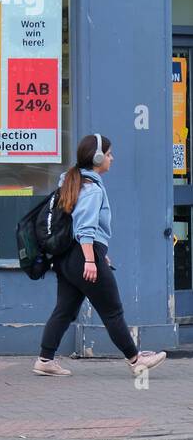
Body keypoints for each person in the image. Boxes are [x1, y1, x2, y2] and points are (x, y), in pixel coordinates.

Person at [34, 134, 168, 377]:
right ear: (97, 158)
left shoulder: (71, 181)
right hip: (82, 256)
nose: (112, 158)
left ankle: (45, 360)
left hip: (66, 258)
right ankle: (136, 360)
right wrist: (90, 258)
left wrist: (99, 253)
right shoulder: (92, 189)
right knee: (112, 310)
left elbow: (74, 225)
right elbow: (84, 227)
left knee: (64, 310)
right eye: (108, 154)